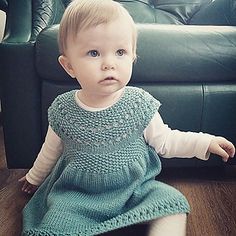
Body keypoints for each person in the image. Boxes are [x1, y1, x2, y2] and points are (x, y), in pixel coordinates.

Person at [19, 0, 235, 235]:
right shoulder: (63, 109)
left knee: (172, 205)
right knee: (54, 226)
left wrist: (205, 142)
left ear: (132, 56)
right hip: (76, 196)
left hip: (133, 191)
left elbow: (166, 140)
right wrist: (34, 177)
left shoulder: (139, 103)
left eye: (120, 52)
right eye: (94, 53)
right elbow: (50, 151)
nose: (109, 63)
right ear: (69, 66)